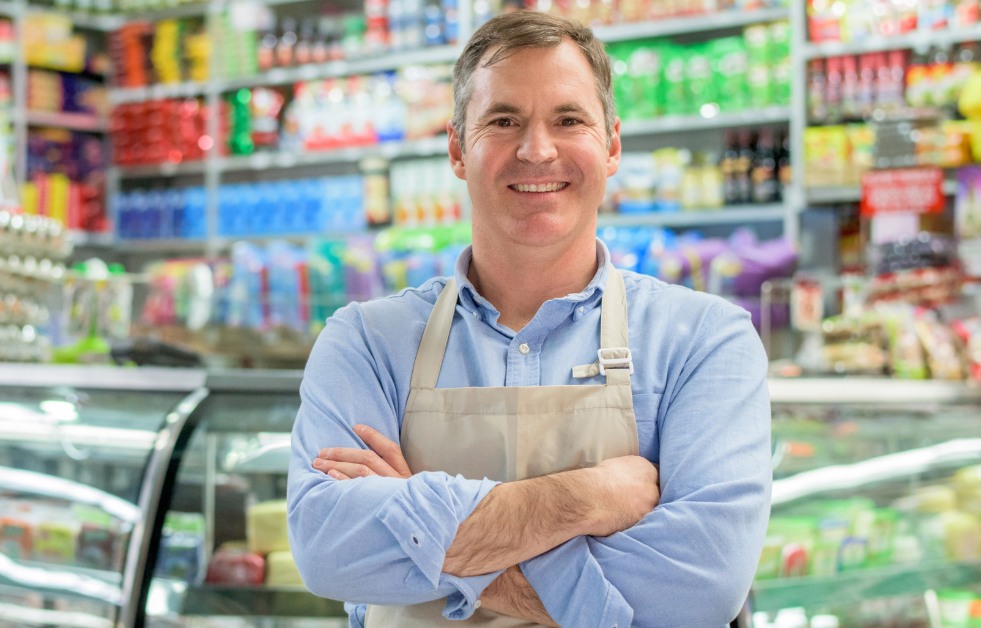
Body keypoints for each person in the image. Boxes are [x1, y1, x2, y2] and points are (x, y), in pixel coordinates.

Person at [286, 10, 771, 628]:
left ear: (612, 145)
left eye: (568, 120)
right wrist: (590, 498)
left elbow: (700, 587)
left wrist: (420, 527)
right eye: (503, 120)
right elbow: (328, 547)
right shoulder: (364, 342)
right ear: (459, 149)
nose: (536, 150)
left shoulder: (704, 341)